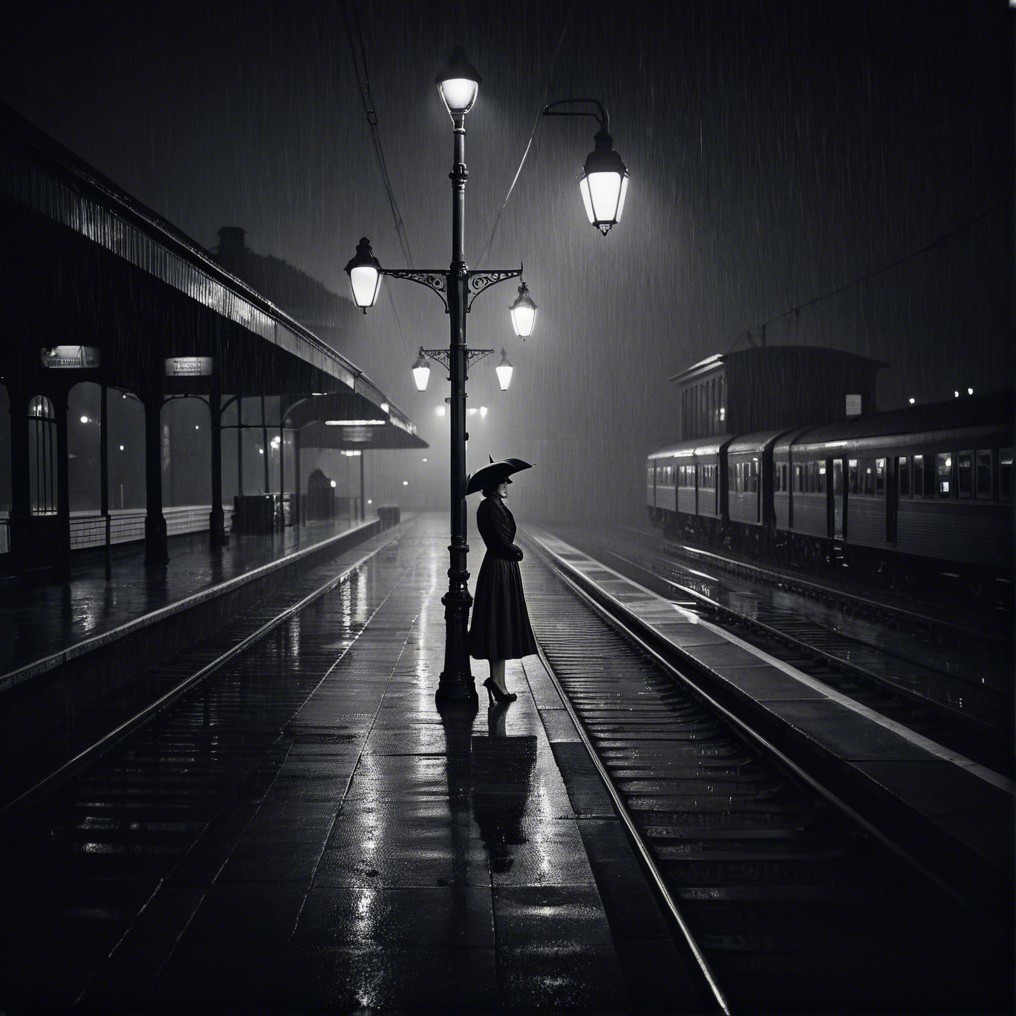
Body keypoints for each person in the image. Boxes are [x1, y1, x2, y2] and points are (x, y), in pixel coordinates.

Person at [468, 477, 537, 703]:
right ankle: (498, 682)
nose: (507, 487)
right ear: (496, 485)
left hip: (500, 568)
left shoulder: (492, 505)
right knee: (499, 622)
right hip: (500, 567)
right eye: (504, 483)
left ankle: (498, 681)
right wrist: (516, 552)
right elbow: (498, 540)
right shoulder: (490, 507)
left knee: (498, 624)